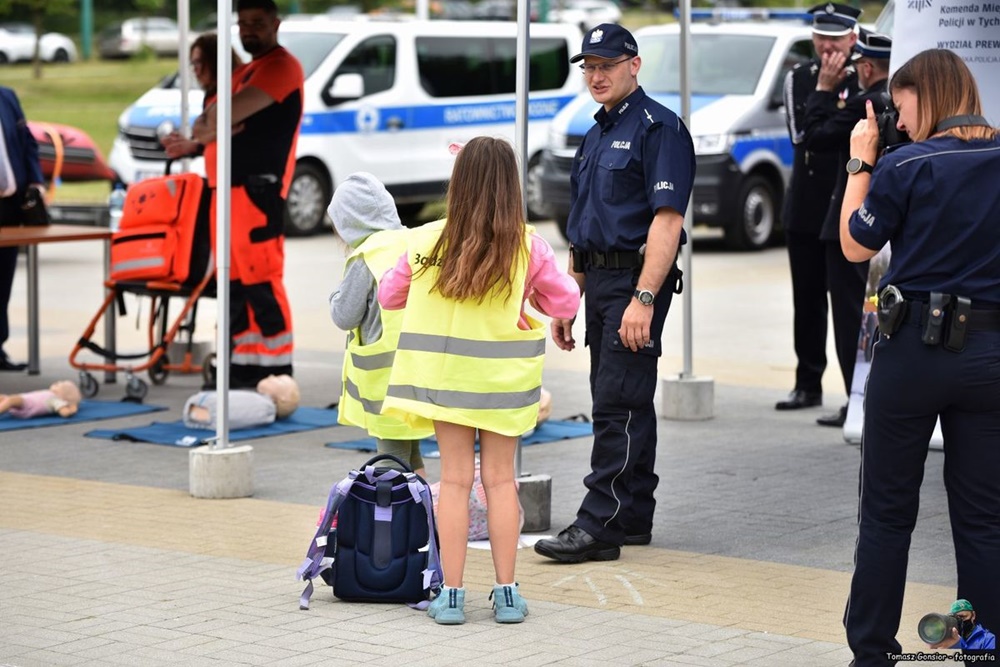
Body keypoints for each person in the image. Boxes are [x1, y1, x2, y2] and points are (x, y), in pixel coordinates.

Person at [839, 48, 1000, 665]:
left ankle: (874, 652)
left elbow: (856, 244)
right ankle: (982, 648)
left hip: (913, 354)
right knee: (984, 517)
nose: (900, 123)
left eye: (903, 108)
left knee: (886, 514)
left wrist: (862, 157)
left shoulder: (907, 163)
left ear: (927, 97)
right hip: (989, 354)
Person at [378, 136, 580, 624]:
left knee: (453, 481)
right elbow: (566, 303)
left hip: (446, 383)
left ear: (458, 183)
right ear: (510, 186)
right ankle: (507, 593)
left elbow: (388, 296)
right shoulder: (526, 246)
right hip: (502, 385)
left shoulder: (425, 241)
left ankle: (450, 595)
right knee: (500, 481)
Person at [533, 23, 694, 563]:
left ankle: (597, 524)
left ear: (634, 64)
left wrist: (644, 299)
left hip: (633, 282)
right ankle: (630, 514)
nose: (596, 76)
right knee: (625, 398)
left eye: (606, 65)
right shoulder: (596, 130)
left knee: (615, 403)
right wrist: (567, 298)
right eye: (589, 67)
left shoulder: (659, 129)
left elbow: (667, 223)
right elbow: (585, 224)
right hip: (597, 282)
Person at [193, 0, 304, 389]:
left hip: (258, 191)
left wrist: (220, 122)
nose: (248, 30)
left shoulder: (280, 66)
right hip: (227, 190)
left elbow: (217, 119)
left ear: (275, 23)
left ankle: (276, 370)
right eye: (242, 24)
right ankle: (241, 366)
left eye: (257, 23)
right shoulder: (246, 72)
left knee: (261, 280)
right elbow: (205, 123)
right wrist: (218, 122)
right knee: (233, 282)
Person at [800, 29, 891, 427]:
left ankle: (857, 401)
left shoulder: (868, 101)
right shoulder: (895, 99)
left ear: (867, 67)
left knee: (851, 316)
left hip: (853, 221)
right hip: (883, 224)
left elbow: (814, 136)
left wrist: (822, 88)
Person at [775, 3, 860, 414]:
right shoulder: (801, 77)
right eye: (820, 37)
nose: (826, 46)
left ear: (853, 39)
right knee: (807, 301)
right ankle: (807, 383)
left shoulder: (866, 75)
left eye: (835, 38)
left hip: (848, 204)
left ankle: (855, 395)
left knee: (851, 305)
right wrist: (825, 94)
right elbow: (800, 134)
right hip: (808, 206)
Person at [328, 172, 433, 477]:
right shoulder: (413, 242)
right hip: (418, 370)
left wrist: (335, 294)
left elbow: (344, 315)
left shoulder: (366, 257)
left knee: (390, 461)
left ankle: (399, 523)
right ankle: (421, 516)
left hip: (385, 379)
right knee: (410, 455)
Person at [0, 85, 46, 372]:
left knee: (3, 278)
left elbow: (27, 142)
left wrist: (35, 182)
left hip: (10, 204)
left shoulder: (7, 97)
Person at [162, 32, 244, 161]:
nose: (196, 70)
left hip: (233, 175)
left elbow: (233, 134)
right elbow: (201, 132)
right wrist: (189, 143)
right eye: (193, 64)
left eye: (199, 63)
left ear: (215, 61)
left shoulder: (238, 89)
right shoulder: (212, 94)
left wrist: (198, 140)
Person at [182, 373, 299, 430]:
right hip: (200, 408)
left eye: (278, 380)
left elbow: (230, 415)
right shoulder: (257, 399)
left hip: (204, 411)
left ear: (283, 398)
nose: (272, 376)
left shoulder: (264, 408)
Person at [926, 599, 997, 652]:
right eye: (956, 618)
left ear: (973, 615)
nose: (960, 621)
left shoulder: (988, 639)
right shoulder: (946, 636)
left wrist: (956, 644)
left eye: (963, 617)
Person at [0, 380, 81, 419]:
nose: (57, 383)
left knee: (10, 400)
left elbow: (64, 411)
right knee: (4, 398)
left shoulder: (55, 400)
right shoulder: (49, 393)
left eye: (60, 385)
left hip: (27, 405)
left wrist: (70, 410)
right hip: (22, 401)